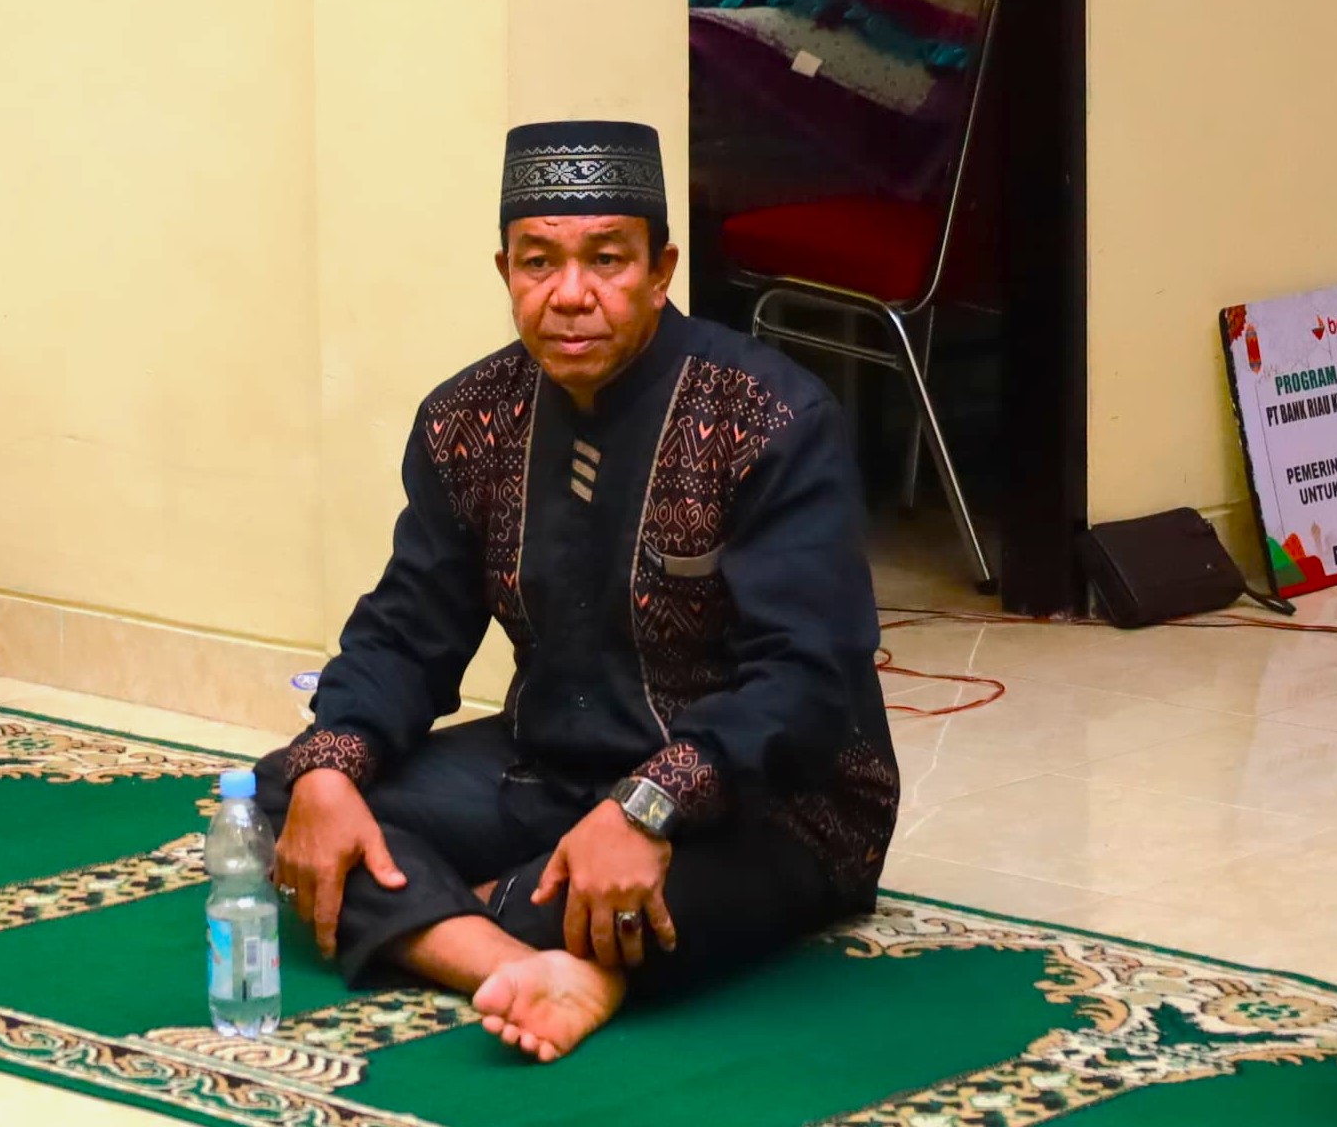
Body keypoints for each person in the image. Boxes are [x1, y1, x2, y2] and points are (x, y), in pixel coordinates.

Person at [265, 122, 897, 1065]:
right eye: (538, 263)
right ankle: (525, 960)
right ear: (504, 270)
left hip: (773, 802)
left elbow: (807, 677)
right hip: (548, 768)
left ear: (660, 268)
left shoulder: (769, 415)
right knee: (287, 803)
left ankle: (486, 924)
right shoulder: (465, 419)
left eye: (606, 260)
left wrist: (649, 805)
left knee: (596, 900)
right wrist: (327, 767)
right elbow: (408, 631)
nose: (569, 296)